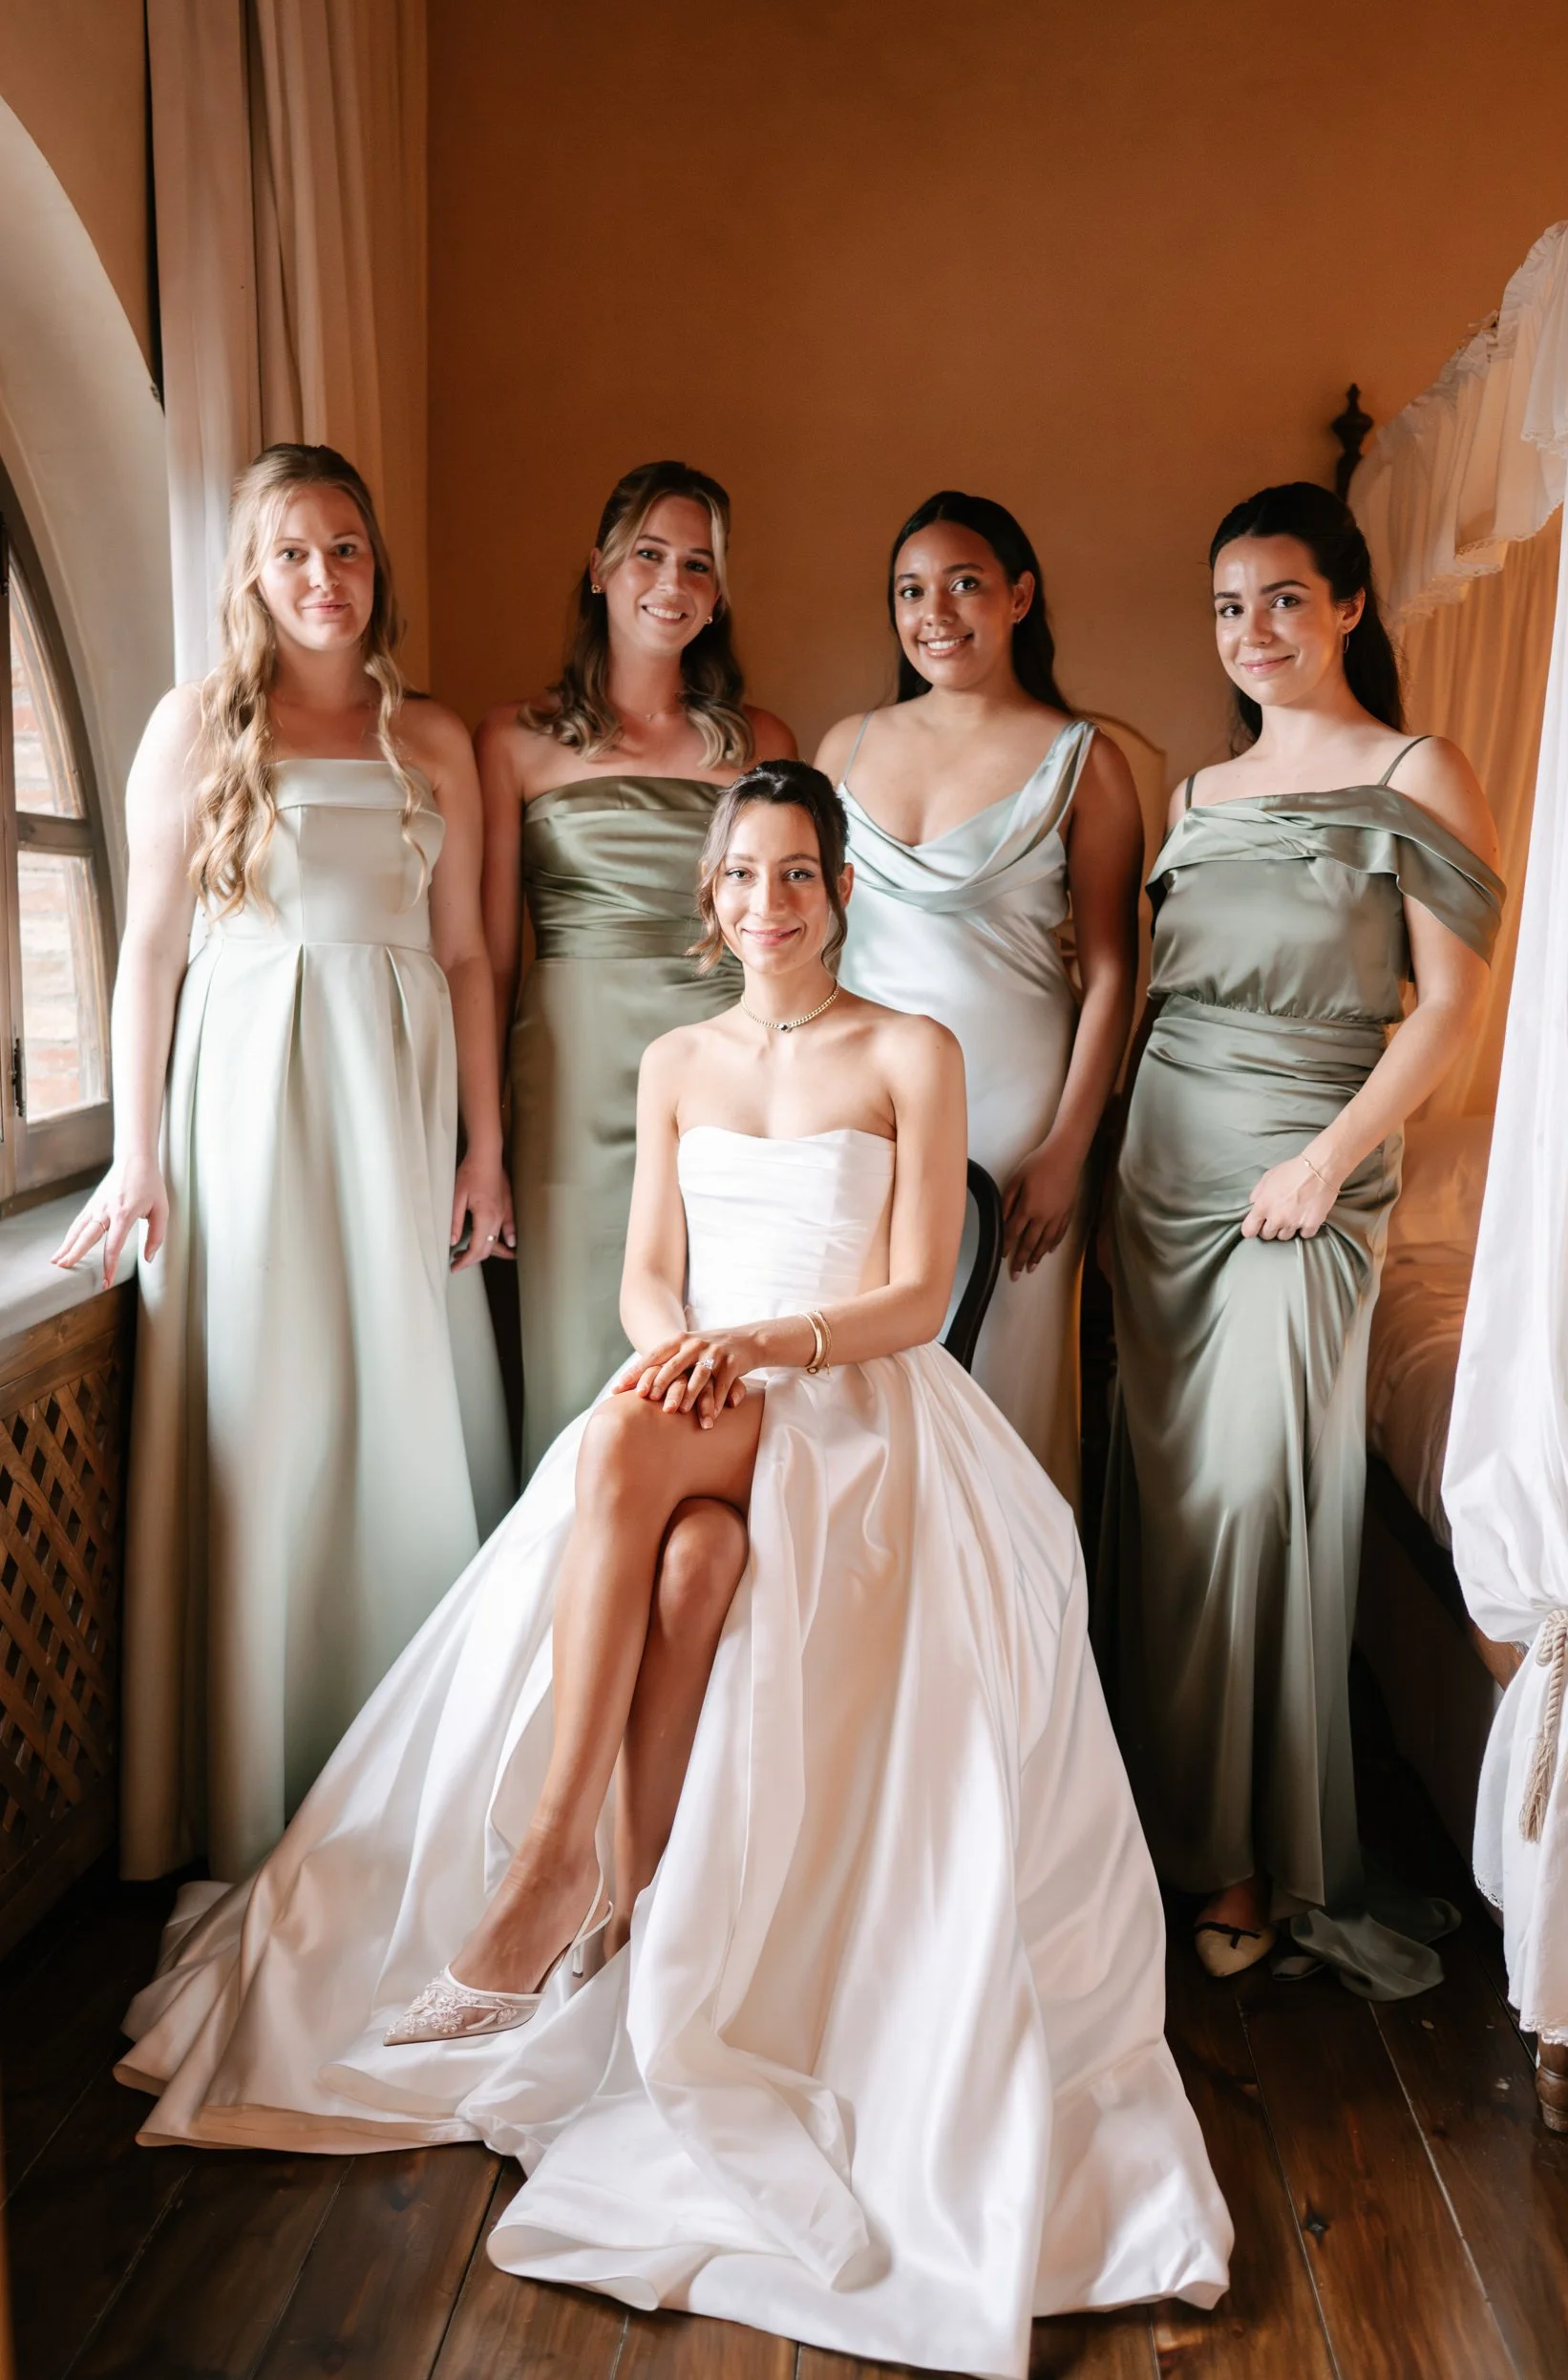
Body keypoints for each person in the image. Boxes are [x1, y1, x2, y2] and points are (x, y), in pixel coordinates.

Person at [117, 762, 1231, 2379]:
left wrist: (753, 1350)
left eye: (796, 876)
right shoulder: (675, 1061)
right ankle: (600, 1872)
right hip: (708, 1392)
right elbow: (647, 1277)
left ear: (837, 891)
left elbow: (917, 1294)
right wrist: (683, 1355)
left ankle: (555, 1857)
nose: (768, 905)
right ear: (707, 905)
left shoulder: (906, 1053)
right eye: (742, 880)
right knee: (690, 1557)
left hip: (851, 1395)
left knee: (634, 1457)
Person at [56, 443, 515, 1884]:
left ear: (378, 566)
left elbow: (466, 957)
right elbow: (142, 957)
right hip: (244, 1106)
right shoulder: (195, 726)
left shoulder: (433, 738)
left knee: (402, 1408)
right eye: (295, 553)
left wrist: (484, 1150)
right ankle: (249, 1799)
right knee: (272, 1416)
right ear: (252, 575)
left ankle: (419, 1791)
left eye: (349, 550)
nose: (326, 579)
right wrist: (137, 1157)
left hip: (397, 1099)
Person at [1094, 482, 1502, 1995]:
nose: (1250, 630)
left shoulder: (1415, 769)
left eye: (1279, 597)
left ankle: (1264, 1855)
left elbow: (1451, 1011)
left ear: (1344, 606)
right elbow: (1146, 1000)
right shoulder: (1194, 794)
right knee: (1171, 1498)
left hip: (1311, 1167)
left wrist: (1328, 1160)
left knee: (1263, 1495)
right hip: (1164, 1172)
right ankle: (1174, 1834)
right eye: (1225, 606)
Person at [816, 491, 1141, 1502]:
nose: (936, 612)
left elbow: (1113, 970)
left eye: (964, 583)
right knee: (861, 1375)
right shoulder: (844, 748)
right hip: (864, 1106)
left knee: (1002, 1380)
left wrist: (1065, 1148)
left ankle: (1012, 1641)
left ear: (1018, 597)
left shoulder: (1084, 760)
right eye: (910, 590)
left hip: (1017, 1109)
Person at [477, 459, 795, 1473]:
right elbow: (486, 954)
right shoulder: (515, 741)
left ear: (719, 594)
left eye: (698, 563)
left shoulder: (762, 742)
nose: (672, 581)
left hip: (727, 1073)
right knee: (580, 1352)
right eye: (649, 554)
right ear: (599, 570)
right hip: (569, 1078)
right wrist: (482, 1142)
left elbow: (795, 930)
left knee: (717, 1351)